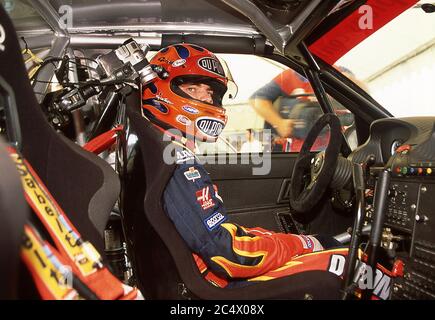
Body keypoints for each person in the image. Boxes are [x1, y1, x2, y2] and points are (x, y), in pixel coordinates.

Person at [142, 44, 343, 288]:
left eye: (209, 91)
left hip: (204, 276)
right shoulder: (177, 162)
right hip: (216, 287)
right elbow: (227, 253)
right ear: (162, 90)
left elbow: (223, 240)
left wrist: (290, 241)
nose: (207, 98)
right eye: (193, 88)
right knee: (346, 262)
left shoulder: (163, 150)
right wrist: (303, 244)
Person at [249, 67, 363, 152]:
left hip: (336, 143)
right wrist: (279, 123)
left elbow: (362, 96)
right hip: (302, 148)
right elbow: (256, 100)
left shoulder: (337, 70)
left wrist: (350, 82)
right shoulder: (286, 77)